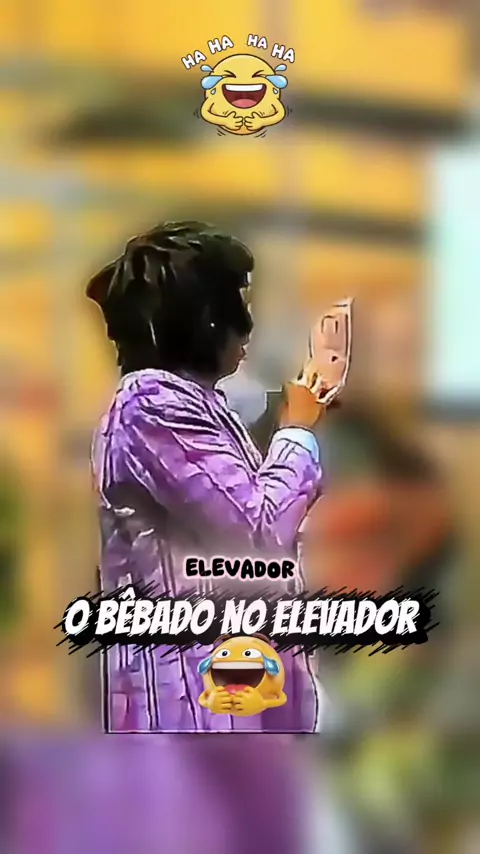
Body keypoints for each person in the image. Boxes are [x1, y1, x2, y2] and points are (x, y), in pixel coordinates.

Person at [87, 220, 328, 734]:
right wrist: (297, 433)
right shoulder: (151, 404)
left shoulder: (195, 405)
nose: (248, 324)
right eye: (236, 304)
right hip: (193, 714)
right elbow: (256, 531)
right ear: (203, 319)